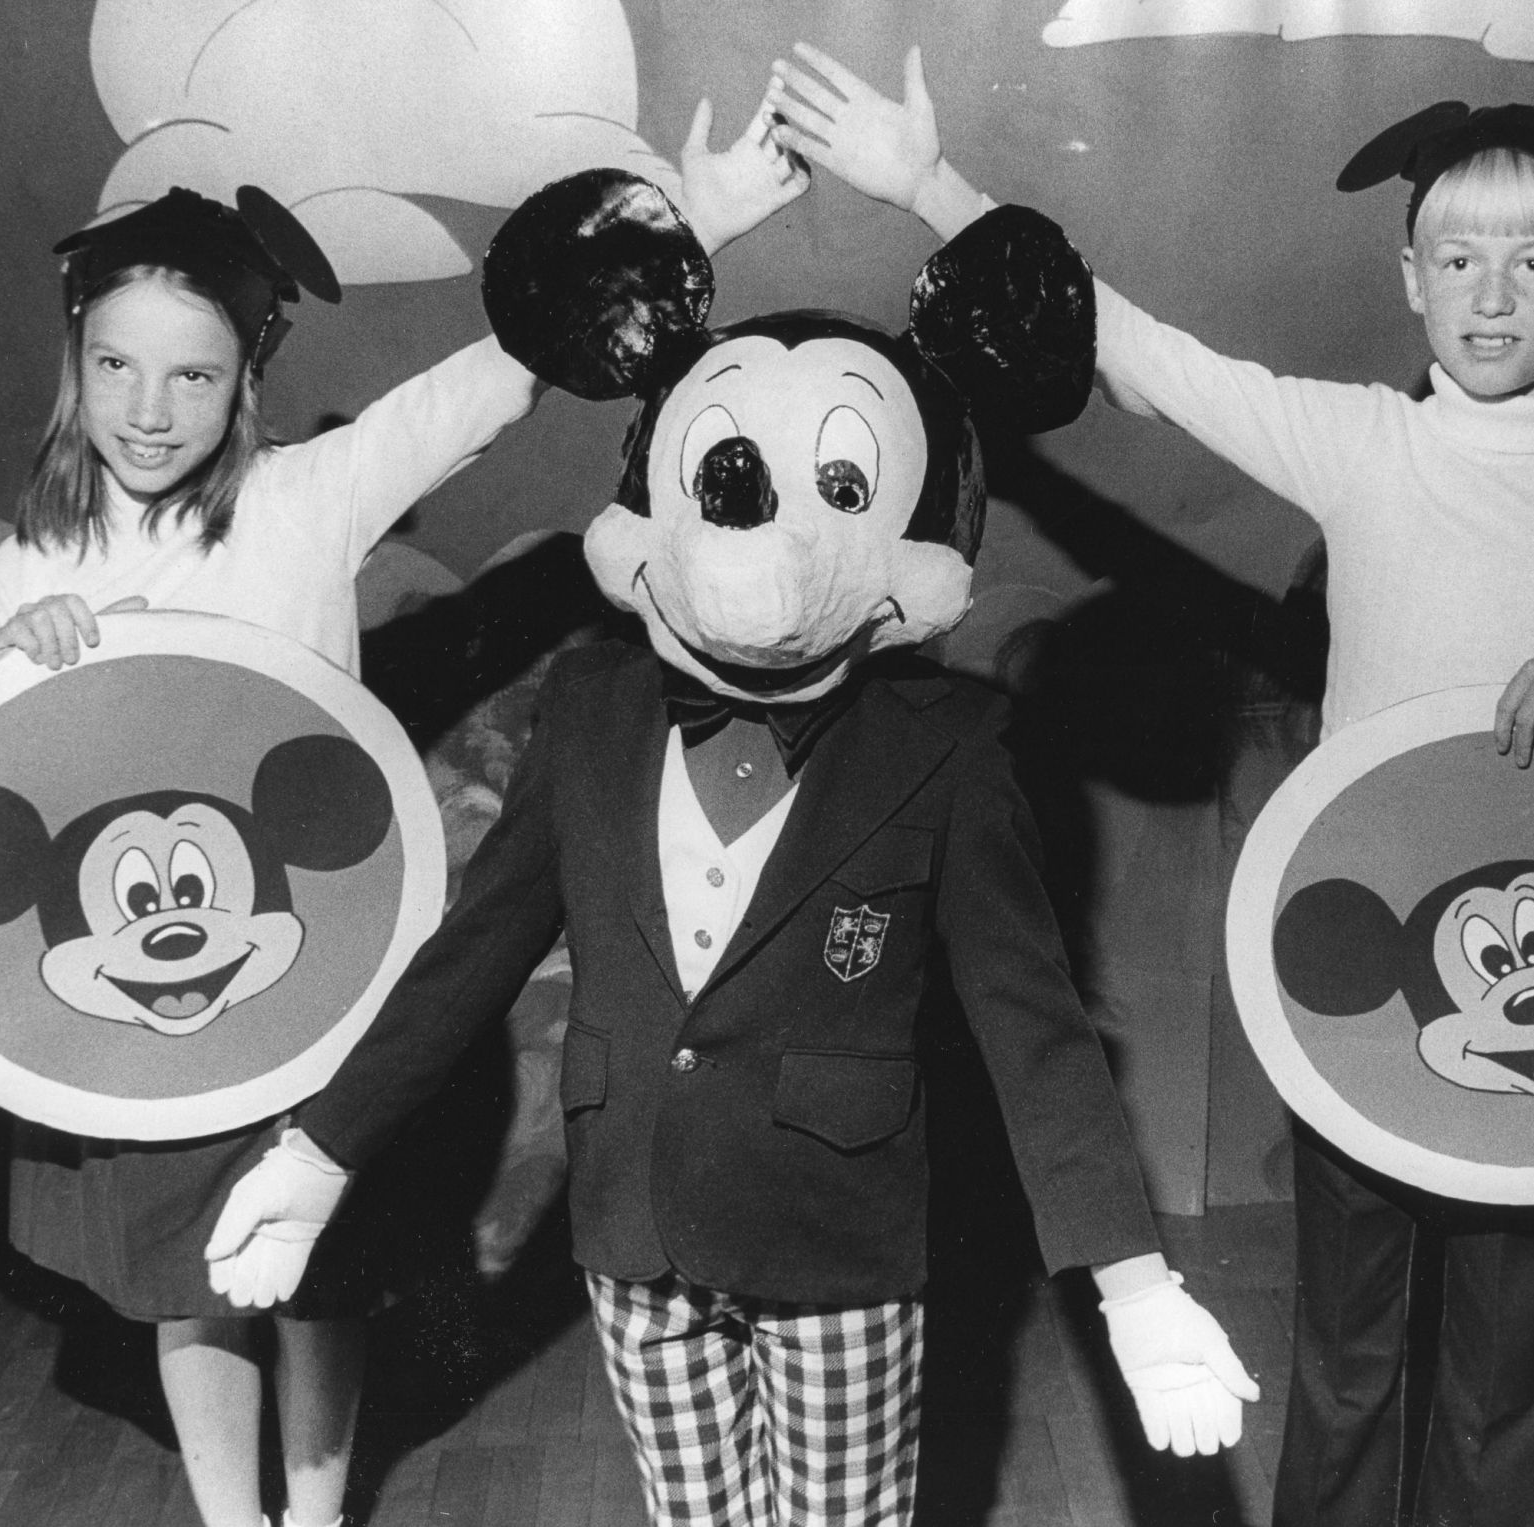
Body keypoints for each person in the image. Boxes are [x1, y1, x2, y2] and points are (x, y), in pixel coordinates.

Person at [760, 42, 1534, 1527]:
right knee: (1347, 1344)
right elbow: (1145, 357)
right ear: (1409, 278)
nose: (1490, 296)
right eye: (1455, 259)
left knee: (1510, 1354)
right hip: (1365, 977)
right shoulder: (1368, 446)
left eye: (1532, 260)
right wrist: (929, 186)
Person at [196, 169, 1262, 1527]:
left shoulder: (952, 750)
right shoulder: (588, 712)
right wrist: (317, 1152)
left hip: (840, 1249)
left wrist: (1137, 1283)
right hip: (636, 1237)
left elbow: (1036, 1034)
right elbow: (468, 963)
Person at [0, 103, 808, 1527]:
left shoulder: (309, 499)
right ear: (77, 367)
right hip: (149, 988)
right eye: (116, 365)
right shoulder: (33, 561)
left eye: (192, 373)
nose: (149, 406)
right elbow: (5, 800)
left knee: (319, 1265)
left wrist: (697, 216)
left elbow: (499, 374)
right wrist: (22, 651)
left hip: (315, 970)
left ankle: (313, 1518)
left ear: (246, 380)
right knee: (191, 1273)